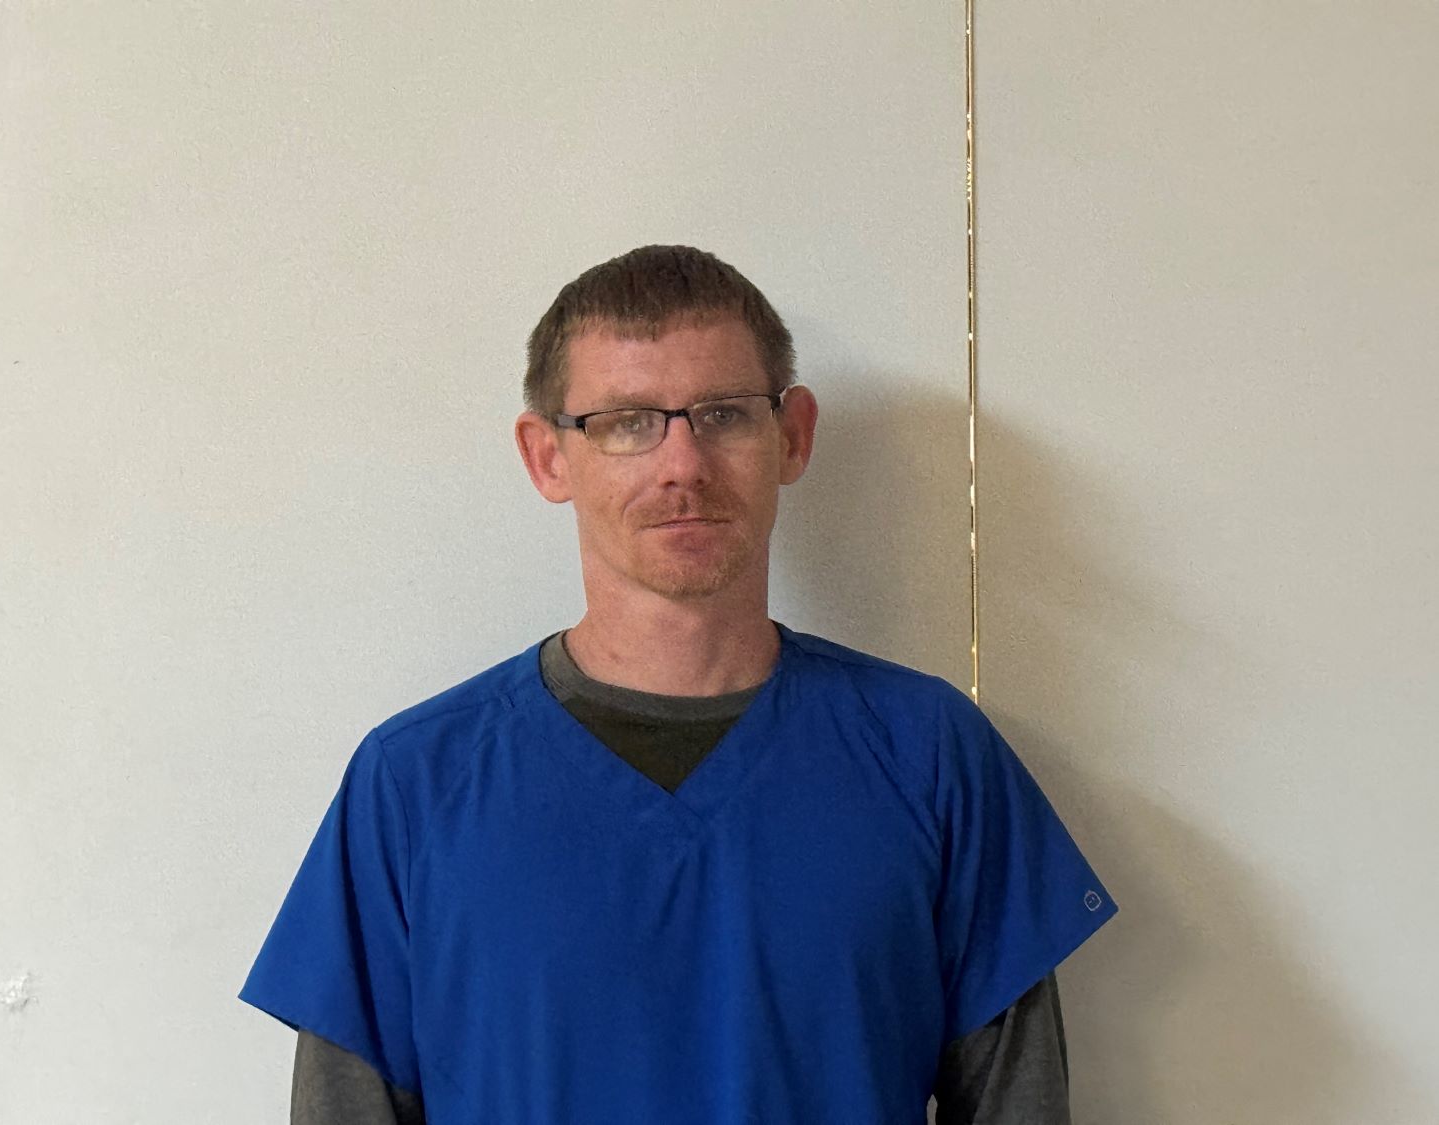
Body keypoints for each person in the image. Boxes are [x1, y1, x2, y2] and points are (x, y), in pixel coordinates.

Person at [239, 244, 1118, 1124]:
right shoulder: (414, 786)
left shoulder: (931, 757)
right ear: (547, 457)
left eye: (723, 414)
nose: (683, 465)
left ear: (793, 434)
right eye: (626, 422)